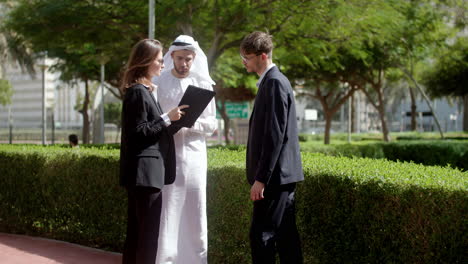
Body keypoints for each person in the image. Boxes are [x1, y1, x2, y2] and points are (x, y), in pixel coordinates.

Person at [119, 39, 188, 264]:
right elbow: (139, 132)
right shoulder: (138, 92)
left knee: (139, 235)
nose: (162, 65)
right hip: (145, 175)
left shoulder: (144, 91)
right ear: (146, 61)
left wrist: (173, 120)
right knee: (146, 237)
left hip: (147, 174)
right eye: (159, 61)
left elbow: (153, 129)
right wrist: (167, 117)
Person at [240, 31, 304, 263]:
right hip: (280, 177)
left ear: (263, 56)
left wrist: (261, 178)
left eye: (246, 56)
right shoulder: (272, 81)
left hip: (275, 179)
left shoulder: (275, 82)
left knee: (262, 236)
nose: (243, 61)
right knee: (286, 238)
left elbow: (274, 136)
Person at [153, 35, 217, 264]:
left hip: (196, 158)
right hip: (168, 157)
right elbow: (153, 120)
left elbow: (212, 124)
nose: (184, 64)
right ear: (172, 56)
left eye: (189, 59)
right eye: (180, 58)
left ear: (194, 58)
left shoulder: (203, 84)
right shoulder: (158, 83)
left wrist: (189, 122)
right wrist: (170, 120)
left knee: (195, 212)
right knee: (168, 214)